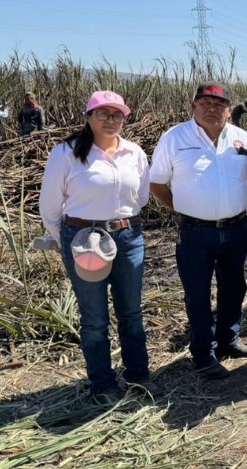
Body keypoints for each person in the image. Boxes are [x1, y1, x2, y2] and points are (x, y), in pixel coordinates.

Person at [39, 90, 157, 403]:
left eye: (117, 114)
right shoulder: (67, 153)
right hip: (83, 240)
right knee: (94, 319)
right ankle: (103, 385)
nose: (110, 119)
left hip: (128, 237)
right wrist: (68, 241)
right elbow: (50, 206)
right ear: (89, 117)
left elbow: (141, 197)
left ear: (124, 118)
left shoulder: (134, 152)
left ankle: (138, 375)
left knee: (131, 312)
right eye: (102, 113)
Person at [149, 83, 247, 380]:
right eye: (205, 102)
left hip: (236, 227)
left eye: (219, 104)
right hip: (196, 231)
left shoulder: (241, 138)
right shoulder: (175, 138)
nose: (212, 108)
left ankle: (229, 340)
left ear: (228, 109)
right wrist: (184, 208)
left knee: (234, 286)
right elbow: (157, 182)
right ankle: (203, 354)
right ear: (193, 106)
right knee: (198, 293)